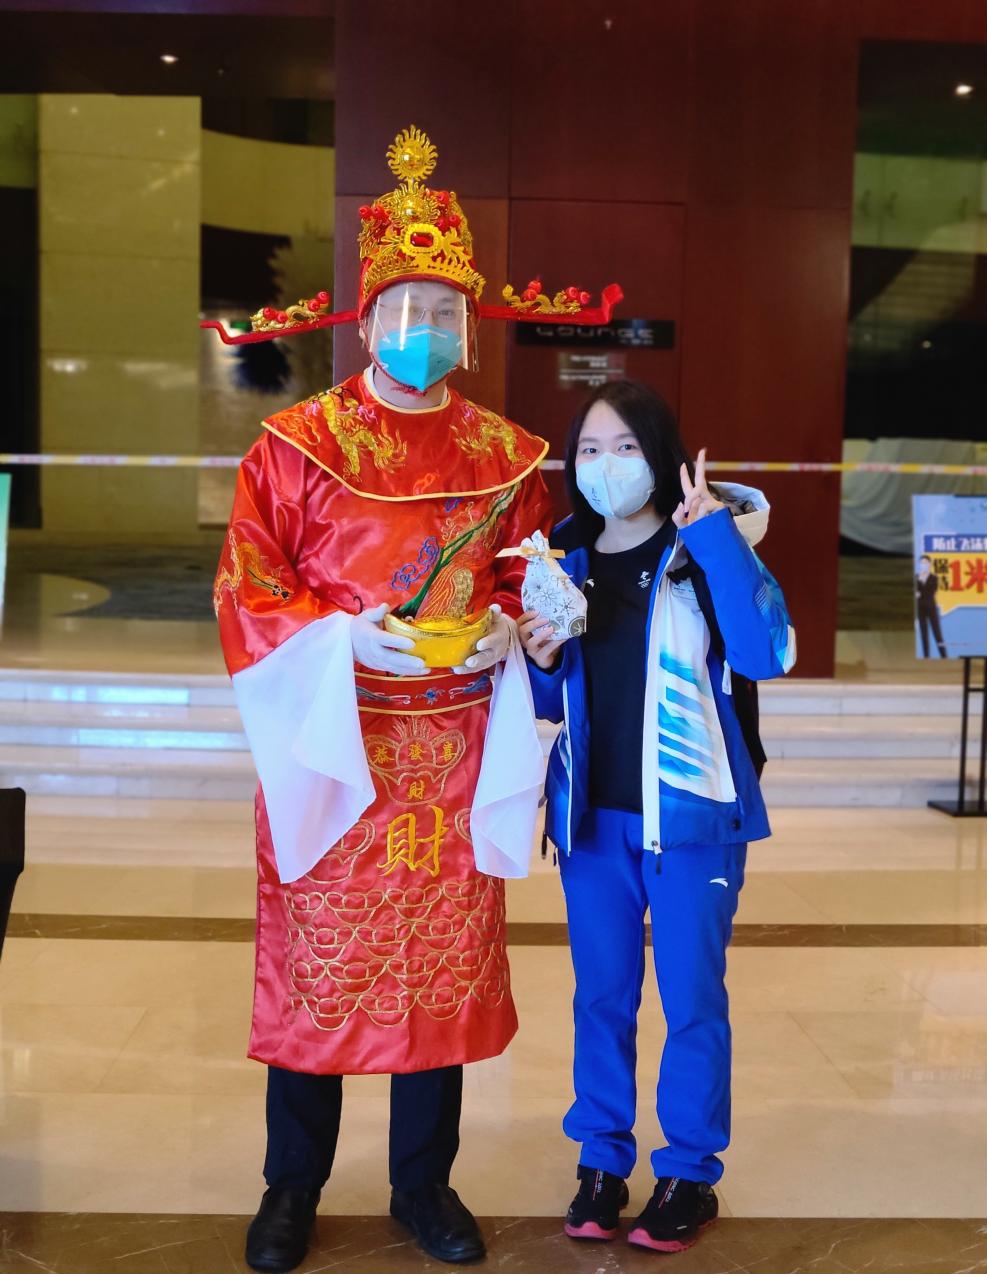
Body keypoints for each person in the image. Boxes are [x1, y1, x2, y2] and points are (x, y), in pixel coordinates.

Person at [214, 128, 555, 1272]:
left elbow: (528, 577)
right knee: (319, 964)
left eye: (445, 309)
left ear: (469, 322)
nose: (426, 327)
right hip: (336, 742)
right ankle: (291, 1184)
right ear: (367, 322)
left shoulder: (506, 453)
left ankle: (425, 1181)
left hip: (453, 747)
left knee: (438, 972)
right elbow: (248, 581)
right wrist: (339, 635)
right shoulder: (297, 446)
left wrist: (514, 619)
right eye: (406, 307)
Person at [518, 379, 795, 1254]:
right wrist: (540, 661)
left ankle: (688, 1173)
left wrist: (712, 534)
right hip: (591, 821)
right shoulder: (559, 560)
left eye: (626, 447)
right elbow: (547, 699)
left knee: (690, 1000)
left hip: (691, 821)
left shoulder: (701, 553)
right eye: (589, 450)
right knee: (600, 998)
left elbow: (766, 652)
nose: (606, 466)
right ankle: (600, 1163)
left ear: (663, 455)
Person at [916, 555, 948, 658]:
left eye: (925, 563)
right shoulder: (916, 577)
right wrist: (919, 582)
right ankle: (926, 657)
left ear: (929, 565)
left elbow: (931, 591)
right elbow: (915, 593)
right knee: (923, 635)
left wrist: (920, 591)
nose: (923, 565)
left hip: (931, 608)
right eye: (921, 563)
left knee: (937, 634)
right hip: (920, 609)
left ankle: (944, 656)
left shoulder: (934, 578)